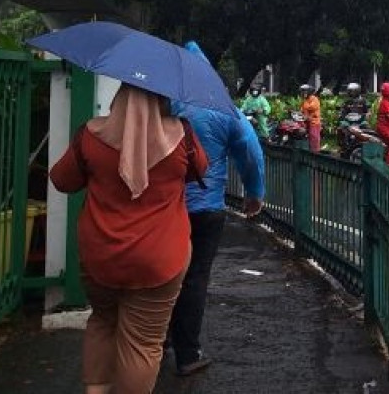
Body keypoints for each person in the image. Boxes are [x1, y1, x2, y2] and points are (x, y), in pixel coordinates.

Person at [49, 84, 208, 394]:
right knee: (143, 342)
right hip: (161, 257)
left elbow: (62, 180)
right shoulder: (181, 134)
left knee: (102, 321)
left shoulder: (90, 135)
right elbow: (200, 170)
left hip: (100, 255)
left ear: (118, 97)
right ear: (162, 98)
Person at [166, 42, 265, 377]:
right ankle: (188, 352)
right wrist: (254, 192)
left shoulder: (166, 102)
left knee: (163, 272)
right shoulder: (223, 108)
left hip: (164, 208)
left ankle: (160, 336)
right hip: (207, 209)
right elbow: (249, 152)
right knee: (195, 277)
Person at [299, 84, 322, 153]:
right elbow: (302, 110)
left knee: (314, 138)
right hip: (306, 121)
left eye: (305, 91)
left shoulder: (314, 99)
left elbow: (310, 107)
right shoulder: (305, 100)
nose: (303, 93)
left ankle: (315, 153)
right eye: (302, 91)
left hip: (313, 122)